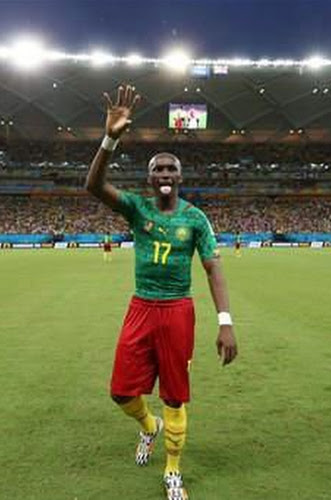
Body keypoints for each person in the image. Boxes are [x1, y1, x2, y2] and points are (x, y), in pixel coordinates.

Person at [85, 85, 238, 500]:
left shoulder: (196, 219)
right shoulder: (137, 208)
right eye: (159, 170)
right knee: (120, 391)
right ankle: (147, 427)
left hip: (177, 311)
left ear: (180, 177)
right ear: (150, 178)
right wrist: (111, 137)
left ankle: (172, 470)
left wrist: (225, 322)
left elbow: (213, 267)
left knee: (174, 394)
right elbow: (94, 186)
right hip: (141, 307)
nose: (166, 175)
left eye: (172, 169)